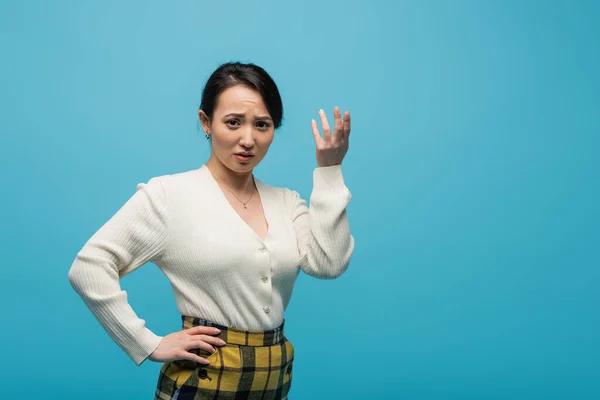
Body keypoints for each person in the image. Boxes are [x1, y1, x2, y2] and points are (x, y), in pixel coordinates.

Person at [68, 61, 355, 399]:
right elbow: (88, 266)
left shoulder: (286, 202)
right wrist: (147, 343)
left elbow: (329, 264)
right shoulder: (169, 196)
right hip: (202, 381)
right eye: (233, 122)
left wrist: (330, 171)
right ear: (206, 122)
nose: (248, 139)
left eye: (262, 125)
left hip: (272, 381)